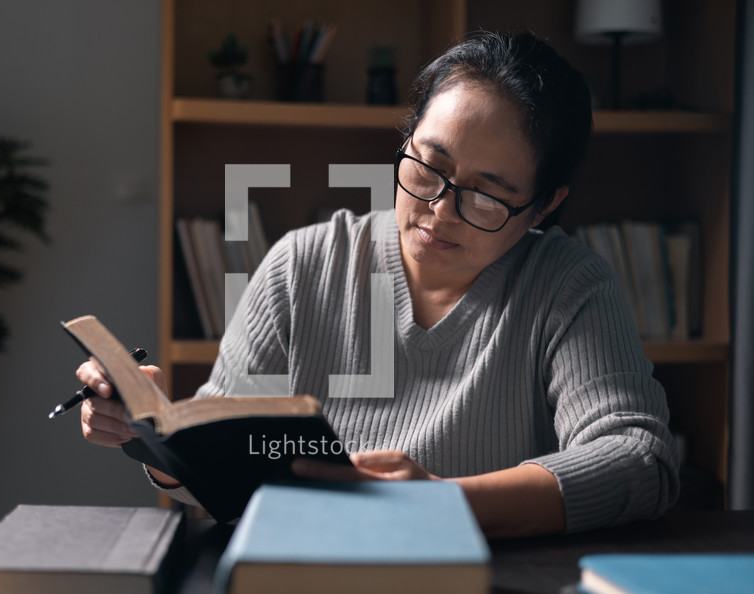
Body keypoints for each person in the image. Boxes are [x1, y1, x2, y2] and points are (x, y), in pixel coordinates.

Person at [77, 31, 679, 539]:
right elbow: (221, 479)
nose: (440, 209)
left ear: (544, 205)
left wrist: (447, 504)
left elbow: (640, 459)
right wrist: (158, 440)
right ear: (405, 141)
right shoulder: (302, 265)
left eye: (486, 195)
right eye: (430, 166)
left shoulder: (565, 285)